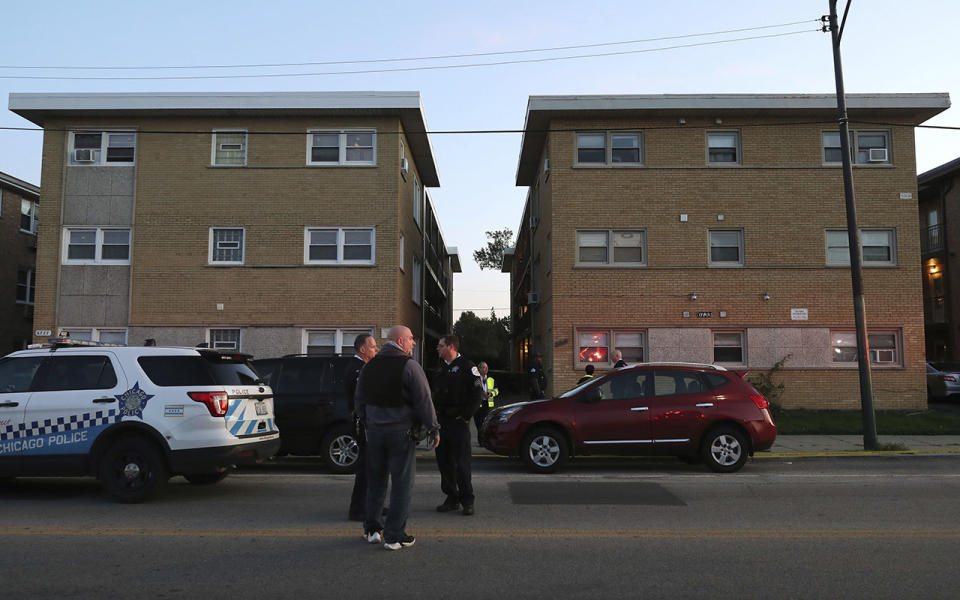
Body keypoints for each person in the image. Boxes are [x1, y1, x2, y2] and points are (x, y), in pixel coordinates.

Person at [355, 325, 439, 551]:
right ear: (400, 342)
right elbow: (424, 400)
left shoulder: (369, 366)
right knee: (402, 484)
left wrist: (368, 422)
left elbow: (359, 399)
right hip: (400, 434)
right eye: (411, 339)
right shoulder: (410, 366)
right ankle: (394, 536)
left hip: (374, 433)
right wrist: (433, 428)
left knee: (376, 481)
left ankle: (372, 529)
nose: (413, 343)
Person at [433, 334, 484, 516]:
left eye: (440, 346)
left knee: (462, 464)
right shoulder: (440, 368)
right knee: (444, 463)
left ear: (451, 347)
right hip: (442, 423)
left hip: (458, 423)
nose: (437, 349)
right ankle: (451, 497)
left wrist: (466, 416)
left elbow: (478, 393)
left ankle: (467, 500)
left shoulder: (467, 367)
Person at [346, 333, 378, 522]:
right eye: (373, 346)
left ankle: (372, 505)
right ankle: (358, 509)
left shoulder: (364, 367)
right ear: (363, 349)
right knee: (365, 468)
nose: (376, 349)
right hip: (363, 424)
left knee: (373, 468)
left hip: (369, 424)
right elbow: (364, 399)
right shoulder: (358, 370)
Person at [473, 361, 499, 444]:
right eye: (483, 367)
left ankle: (483, 441)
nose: (485, 369)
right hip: (478, 404)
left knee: (486, 423)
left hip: (488, 404)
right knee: (478, 423)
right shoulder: (475, 379)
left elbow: (496, 390)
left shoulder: (491, 379)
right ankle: (481, 440)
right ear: (479, 369)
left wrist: (491, 394)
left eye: (486, 368)